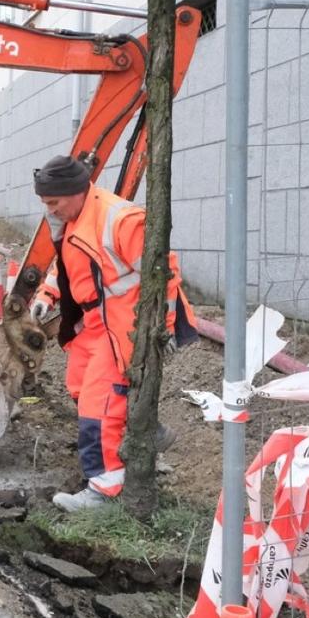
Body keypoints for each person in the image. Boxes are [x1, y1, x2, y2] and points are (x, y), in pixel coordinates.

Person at [30, 155, 198, 512]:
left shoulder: (119, 219)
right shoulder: (74, 217)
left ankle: (105, 489)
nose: (50, 210)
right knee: (78, 386)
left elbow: (162, 272)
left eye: (52, 202)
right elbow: (66, 263)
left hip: (122, 326)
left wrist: (162, 330)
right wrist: (48, 293)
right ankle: (143, 430)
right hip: (93, 323)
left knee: (98, 403)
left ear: (74, 192)